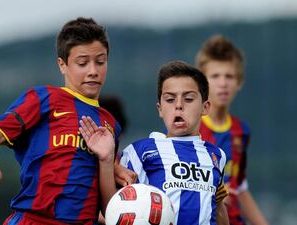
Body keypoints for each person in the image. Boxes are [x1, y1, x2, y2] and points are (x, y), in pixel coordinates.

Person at [0, 17, 121, 225]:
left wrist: (108, 162)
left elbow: (108, 209)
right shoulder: (44, 99)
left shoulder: (110, 124)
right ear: (62, 65)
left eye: (100, 61)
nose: (93, 71)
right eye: (82, 63)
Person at [80, 61, 230, 225]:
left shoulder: (217, 155)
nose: (178, 106)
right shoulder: (141, 151)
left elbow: (217, 207)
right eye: (170, 99)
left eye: (188, 99)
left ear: (205, 107)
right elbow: (113, 206)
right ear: (160, 108)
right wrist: (107, 160)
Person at [195, 35, 269, 225]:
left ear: (239, 82)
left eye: (229, 76)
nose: (223, 83)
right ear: (202, 83)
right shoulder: (190, 127)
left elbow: (240, 187)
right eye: (215, 76)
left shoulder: (241, 131)